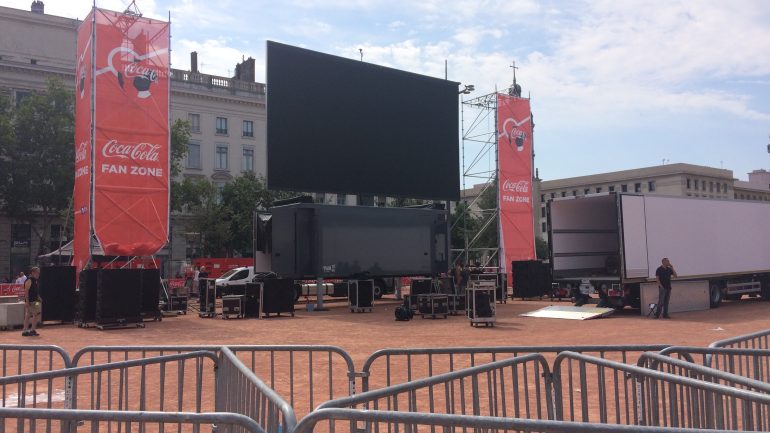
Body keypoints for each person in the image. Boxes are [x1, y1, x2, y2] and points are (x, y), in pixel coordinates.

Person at [22, 267, 42, 337]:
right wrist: (27, 302)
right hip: (31, 301)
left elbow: (35, 291)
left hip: (36, 301)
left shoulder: (35, 280)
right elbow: (26, 292)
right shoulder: (29, 280)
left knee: (30, 314)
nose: (38, 274)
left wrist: (39, 297)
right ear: (33, 273)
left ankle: (25, 330)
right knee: (35, 314)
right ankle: (31, 330)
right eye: (37, 273)